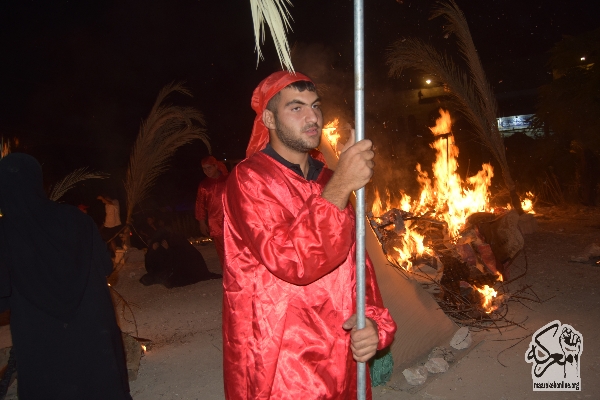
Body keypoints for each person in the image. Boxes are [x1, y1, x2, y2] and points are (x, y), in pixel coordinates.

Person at [222, 71, 397, 399]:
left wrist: (373, 322)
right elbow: (292, 261)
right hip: (284, 360)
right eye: (296, 108)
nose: (312, 116)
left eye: (315, 106)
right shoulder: (250, 180)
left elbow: (360, 268)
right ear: (270, 119)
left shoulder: (329, 178)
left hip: (341, 349)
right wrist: (342, 185)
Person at [0, 153, 132, 399]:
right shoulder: (74, 218)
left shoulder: (5, 233)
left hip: (40, 338)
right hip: (91, 331)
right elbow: (105, 266)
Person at [139, 219, 221, 288]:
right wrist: (153, 251)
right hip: (165, 270)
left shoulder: (177, 242)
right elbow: (150, 265)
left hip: (181, 270)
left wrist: (168, 249)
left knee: (171, 280)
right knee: (153, 277)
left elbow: (177, 260)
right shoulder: (157, 244)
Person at [195, 156, 228, 268]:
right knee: (221, 249)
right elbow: (200, 205)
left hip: (231, 220)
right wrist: (201, 223)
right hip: (215, 222)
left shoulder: (228, 180)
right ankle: (228, 274)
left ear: (215, 166)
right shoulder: (204, 185)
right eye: (204, 169)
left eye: (209, 168)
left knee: (235, 247)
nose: (207, 171)